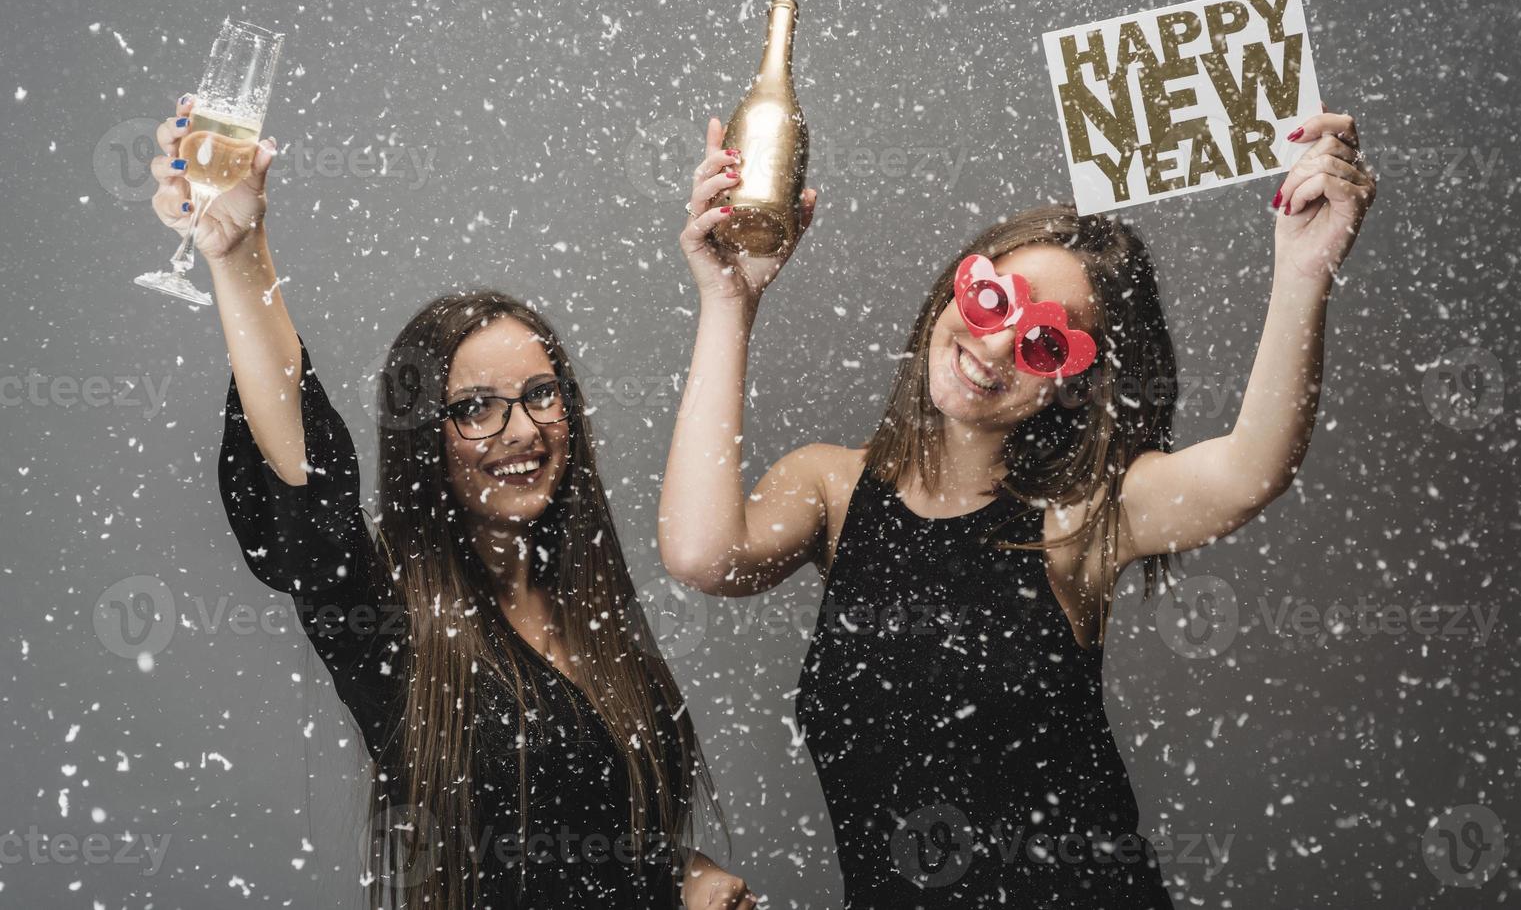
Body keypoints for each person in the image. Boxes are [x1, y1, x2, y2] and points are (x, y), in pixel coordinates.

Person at [659, 111, 1376, 907]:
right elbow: (701, 554)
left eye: (1044, 343)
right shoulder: (828, 487)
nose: (995, 347)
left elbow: (1248, 472)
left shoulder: (1078, 515)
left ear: (1073, 380)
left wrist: (1303, 268)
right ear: (956, 284)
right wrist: (730, 300)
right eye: (993, 299)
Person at [147, 94, 759, 910]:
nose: (522, 430)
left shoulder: (584, 600)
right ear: (421, 442)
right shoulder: (387, 619)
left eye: (542, 394)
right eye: (475, 408)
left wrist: (680, 878)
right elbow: (307, 482)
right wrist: (240, 256)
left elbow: (582, 847)